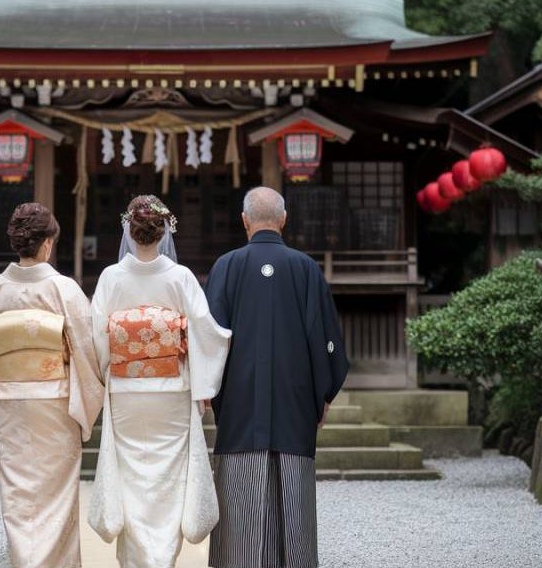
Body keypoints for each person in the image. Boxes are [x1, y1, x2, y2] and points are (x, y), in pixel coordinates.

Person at [205, 186, 350, 568]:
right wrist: (323, 395)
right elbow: (327, 340)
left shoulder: (226, 266)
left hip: (238, 402)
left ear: (244, 221)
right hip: (295, 402)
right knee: (293, 500)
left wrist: (209, 390)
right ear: (283, 220)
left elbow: (211, 339)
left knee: (240, 497)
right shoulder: (305, 268)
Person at [88, 195, 231, 568]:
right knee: (167, 482)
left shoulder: (111, 277)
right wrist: (202, 387)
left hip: (126, 390)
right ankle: (162, 559)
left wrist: (107, 372)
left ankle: (137, 561)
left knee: (133, 479)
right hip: (171, 390)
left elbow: (98, 337)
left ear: (129, 231)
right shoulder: (180, 278)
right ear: (164, 230)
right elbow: (206, 332)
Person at [0, 202, 104, 568]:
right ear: (46, 244)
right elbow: (87, 350)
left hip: (11, 402)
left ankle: (25, 561)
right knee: (56, 492)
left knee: (18, 493)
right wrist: (87, 399)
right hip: (54, 403)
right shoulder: (64, 289)